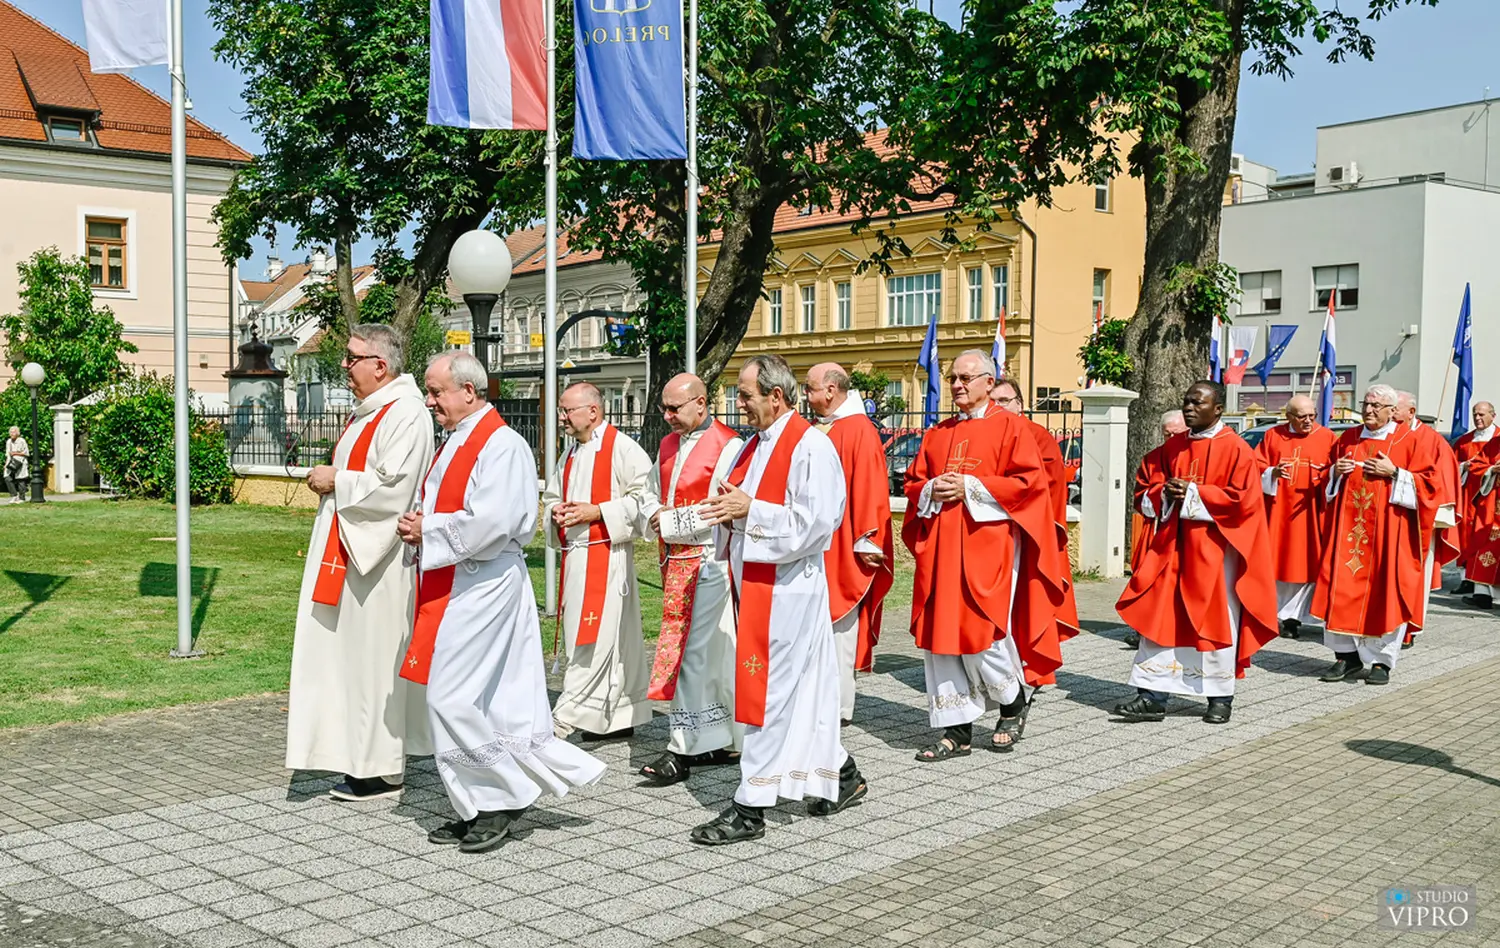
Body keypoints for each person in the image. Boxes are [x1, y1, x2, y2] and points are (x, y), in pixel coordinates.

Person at [397, 353, 605, 853]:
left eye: (436, 391)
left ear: (469, 391)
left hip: (485, 583)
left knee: (449, 696)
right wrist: (422, 524)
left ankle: (501, 797)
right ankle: (477, 804)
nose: (429, 401)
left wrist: (429, 529)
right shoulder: (456, 440)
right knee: (483, 698)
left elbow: (496, 521)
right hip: (457, 581)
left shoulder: (502, 444)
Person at [689, 354, 866, 845]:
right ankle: (842, 775)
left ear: (776, 395)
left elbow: (817, 524)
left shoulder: (811, 446)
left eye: (745, 395)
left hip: (789, 592)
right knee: (798, 694)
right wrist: (729, 511)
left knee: (766, 694)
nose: (738, 404)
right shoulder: (753, 446)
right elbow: (744, 509)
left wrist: (751, 510)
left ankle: (750, 806)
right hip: (757, 586)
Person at [284, 325, 435, 801]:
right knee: (347, 659)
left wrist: (337, 481)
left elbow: (396, 489)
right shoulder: (369, 411)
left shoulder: (406, 414)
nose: (344, 366)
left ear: (380, 366)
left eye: (352, 358)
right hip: (347, 552)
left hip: (379, 564)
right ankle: (355, 754)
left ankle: (381, 768)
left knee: (374, 661)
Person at [903, 350, 1073, 759]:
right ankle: (955, 730)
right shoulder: (937, 433)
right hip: (941, 549)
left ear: (988, 382)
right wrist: (930, 489)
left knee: (983, 634)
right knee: (940, 639)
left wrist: (971, 487)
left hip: (988, 546)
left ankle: (1012, 703)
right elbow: (913, 482)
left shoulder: (1012, 428)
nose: (957, 385)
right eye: (953, 378)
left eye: (965, 378)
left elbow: (1029, 486)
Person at [1114, 381, 1278, 725]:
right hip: (1171, 550)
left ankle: (1219, 698)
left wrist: (1194, 494)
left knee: (1215, 620)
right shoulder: (1172, 446)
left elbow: (1244, 502)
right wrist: (1164, 494)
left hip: (1216, 552)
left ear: (1218, 409)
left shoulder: (1236, 449)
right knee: (1162, 618)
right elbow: (1145, 486)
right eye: (1186, 402)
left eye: (1197, 403)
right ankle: (1152, 696)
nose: (1188, 408)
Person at [635, 373, 745, 784]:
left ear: (701, 403)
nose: (667, 416)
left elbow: (724, 506)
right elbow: (648, 492)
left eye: (674, 408)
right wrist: (653, 513)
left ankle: (681, 748)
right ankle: (719, 738)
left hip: (710, 562)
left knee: (693, 654)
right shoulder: (667, 444)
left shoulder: (728, 445)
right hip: (674, 563)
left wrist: (669, 521)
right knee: (708, 656)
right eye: (663, 408)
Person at [543, 382, 654, 741]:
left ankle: (565, 716)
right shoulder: (570, 453)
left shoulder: (623, 448)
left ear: (592, 411)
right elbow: (552, 495)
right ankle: (614, 717)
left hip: (607, 557)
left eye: (567, 411)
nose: (561, 417)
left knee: (592, 640)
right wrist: (555, 512)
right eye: (561, 410)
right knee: (602, 638)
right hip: (577, 557)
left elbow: (645, 500)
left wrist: (598, 512)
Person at [1311, 384, 1438, 686]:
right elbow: (1324, 479)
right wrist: (1335, 472)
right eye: (1366, 404)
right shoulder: (1348, 438)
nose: (1368, 410)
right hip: (1347, 533)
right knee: (1340, 589)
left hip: (1388, 535)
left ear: (1392, 411)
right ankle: (1346, 657)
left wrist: (1395, 472)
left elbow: (1431, 486)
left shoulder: (1410, 440)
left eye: (1376, 406)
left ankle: (1382, 661)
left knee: (1386, 592)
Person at [805, 362, 894, 726]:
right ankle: (813, 698)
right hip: (813, 540)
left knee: (840, 627)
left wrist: (868, 539)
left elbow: (871, 485)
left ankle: (839, 707)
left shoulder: (858, 429)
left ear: (830, 390)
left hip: (843, 543)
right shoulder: (819, 427)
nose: (805, 395)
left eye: (809, 388)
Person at [990, 377, 1081, 668]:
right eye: (992, 401)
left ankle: (1029, 666)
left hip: (1028, 535)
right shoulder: (985, 433)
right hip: (986, 535)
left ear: (1019, 404)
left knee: (1027, 600)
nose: (998, 407)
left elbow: (1047, 486)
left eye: (1004, 401)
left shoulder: (1038, 436)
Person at [1254, 395, 1337, 640]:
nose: (1309, 421)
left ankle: (1301, 617)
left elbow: (1335, 471)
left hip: (1311, 512)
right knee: (1279, 565)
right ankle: (1280, 616)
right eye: (1302, 417)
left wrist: (1326, 474)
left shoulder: (1328, 437)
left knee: (1310, 565)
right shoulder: (1273, 436)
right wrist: (1272, 472)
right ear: (1289, 416)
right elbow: (1256, 466)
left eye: (1312, 416)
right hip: (1280, 513)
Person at [1393, 392, 1461, 638]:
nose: (1390, 413)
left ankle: (1409, 627)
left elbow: (1441, 484)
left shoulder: (1433, 441)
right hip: (1387, 520)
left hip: (1420, 519)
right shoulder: (1387, 436)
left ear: (1411, 412)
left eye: (1395, 409)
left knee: (1415, 575)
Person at [1124, 410, 1187, 648]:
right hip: (1158, 530)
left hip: (1189, 531)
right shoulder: (1153, 458)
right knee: (1149, 580)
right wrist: (1161, 494)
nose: (1172, 438)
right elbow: (1140, 496)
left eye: (1177, 433)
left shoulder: (1196, 455)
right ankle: (1143, 629)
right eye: (1167, 434)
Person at [1452, 401, 1498, 594]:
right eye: (1475, 414)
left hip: (1492, 498)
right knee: (1465, 535)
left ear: (1493, 416)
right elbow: (1452, 466)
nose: (1477, 418)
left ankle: (1484, 585)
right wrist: (1465, 466)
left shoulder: (1497, 438)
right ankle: (1466, 579)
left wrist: (1489, 470)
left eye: (1481, 414)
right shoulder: (1464, 441)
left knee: (1486, 537)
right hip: (1468, 495)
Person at [4, 426, 28, 503]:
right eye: (10, 432)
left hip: (21, 462)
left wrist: (15, 453)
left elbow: (26, 453)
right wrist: (6, 464)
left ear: (17, 433)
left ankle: (22, 498)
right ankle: (14, 495)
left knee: (20, 479)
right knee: (6, 477)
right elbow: (8, 454)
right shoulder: (8, 442)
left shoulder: (22, 441)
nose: (12, 433)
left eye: (13, 432)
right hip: (11, 461)